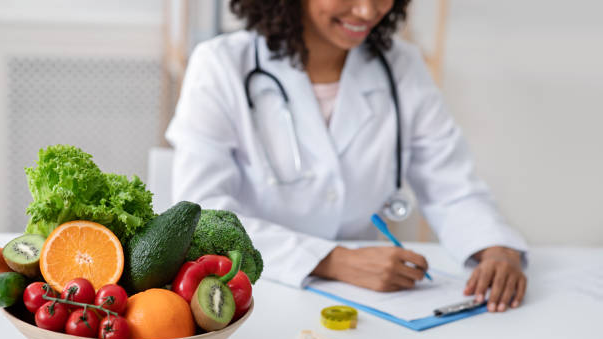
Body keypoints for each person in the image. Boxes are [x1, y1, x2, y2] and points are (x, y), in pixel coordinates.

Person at [166, 0, 528, 313]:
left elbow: (451, 187)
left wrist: (495, 249)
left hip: (372, 302)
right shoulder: (222, 65)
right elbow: (202, 211)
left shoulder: (402, 65)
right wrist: (332, 260)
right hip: (253, 295)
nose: (368, 10)